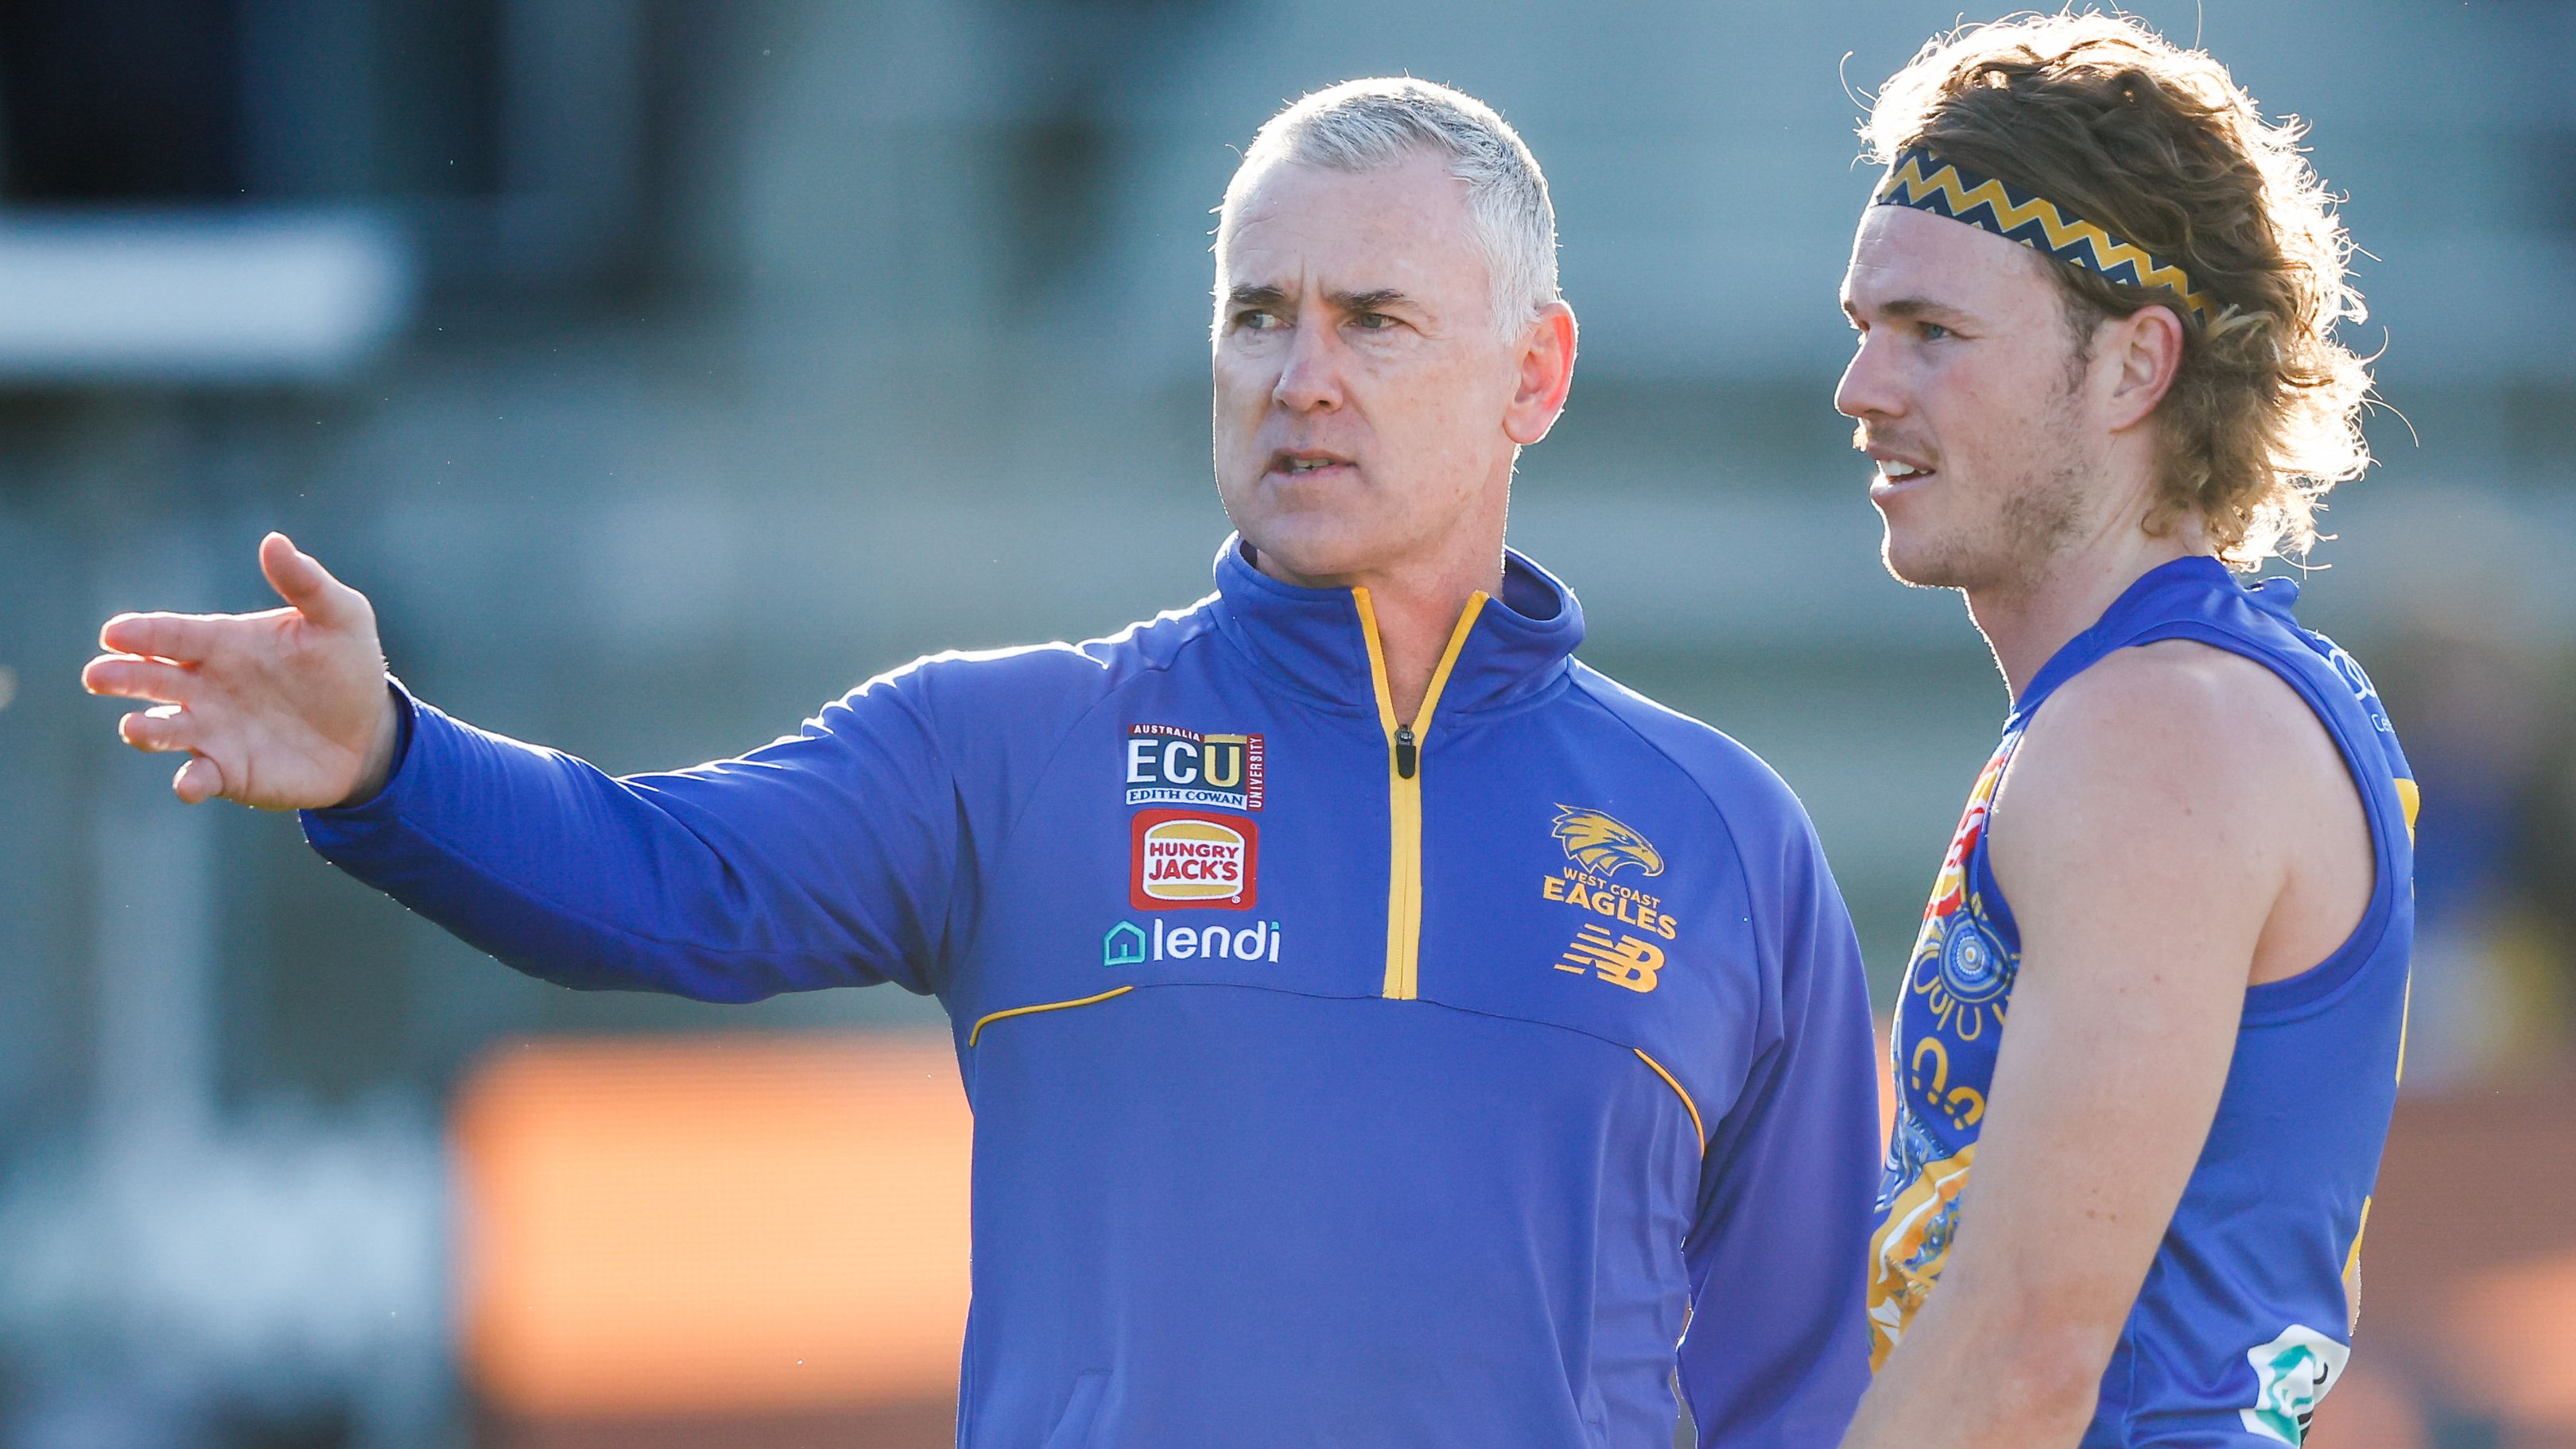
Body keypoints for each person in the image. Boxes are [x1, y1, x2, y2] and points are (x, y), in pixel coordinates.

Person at [86, 79, 1879, 1447]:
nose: (1299, 376)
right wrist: (391, 762)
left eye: (1375, 321)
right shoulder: (1014, 748)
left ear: (1535, 376)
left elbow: (1795, 1382)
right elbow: (660, 877)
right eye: (1258, 315)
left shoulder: (1718, 835)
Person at [1830, 16, 2414, 1448]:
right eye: (1864, 330)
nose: (1862, 391)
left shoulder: (2154, 736)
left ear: (2134, 366)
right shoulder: (2221, 698)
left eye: (1933, 334)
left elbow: (2026, 1358)